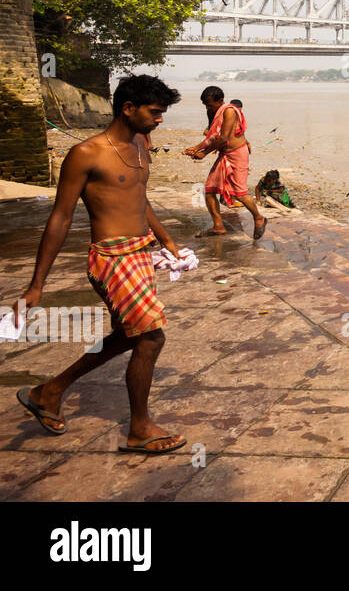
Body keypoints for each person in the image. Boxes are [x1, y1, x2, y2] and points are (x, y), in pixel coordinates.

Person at [10, 74, 187, 453]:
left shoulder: (141, 144)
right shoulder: (87, 154)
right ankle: (139, 428)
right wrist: (37, 284)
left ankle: (48, 392)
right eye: (154, 113)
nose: (160, 120)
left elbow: (137, 197)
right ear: (128, 108)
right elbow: (59, 218)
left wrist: (167, 239)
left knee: (129, 335)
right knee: (151, 337)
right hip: (110, 258)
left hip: (140, 252)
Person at [184, 85, 266, 239]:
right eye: (206, 105)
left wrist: (203, 153)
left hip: (237, 155)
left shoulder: (229, 111)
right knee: (209, 190)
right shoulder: (214, 111)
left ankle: (258, 217)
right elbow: (211, 135)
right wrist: (195, 148)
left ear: (220, 101)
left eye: (210, 105)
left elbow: (223, 138)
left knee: (240, 194)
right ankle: (218, 226)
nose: (208, 108)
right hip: (225, 154)